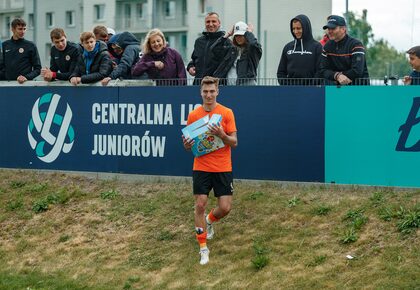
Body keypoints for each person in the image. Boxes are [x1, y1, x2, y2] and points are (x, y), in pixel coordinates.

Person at [182, 76, 238, 265]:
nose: (209, 95)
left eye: (212, 91)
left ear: (217, 92)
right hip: (201, 166)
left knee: (225, 207)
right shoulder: (193, 115)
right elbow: (189, 147)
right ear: (201, 92)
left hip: (223, 166)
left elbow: (234, 142)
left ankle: (209, 220)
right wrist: (187, 144)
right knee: (200, 204)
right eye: (205, 91)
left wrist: (222, 134)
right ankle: (203, 248)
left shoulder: (227, 113)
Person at [319, 15, 370, 85]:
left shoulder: (356, 44)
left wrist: (337, 75)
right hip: (337, 89)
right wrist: (337, 76)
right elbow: (322, 70)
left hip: (358, 89)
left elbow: (357, 71)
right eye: (328, 28)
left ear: (343, 29)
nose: (329, 31)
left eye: (333, 28)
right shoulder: (327, 46)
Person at [211, 21, 262, 85]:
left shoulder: (252, 51)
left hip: (246, 87)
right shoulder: (231, 50)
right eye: (236, 35)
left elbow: (253, 44)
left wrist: (249, 32)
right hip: (229, 87)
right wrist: (228, 34)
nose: (238, 38)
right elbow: (214, 49)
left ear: (246, 36)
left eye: (241, 35)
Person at [277, 14, 322, 85]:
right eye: (293, 29)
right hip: (290, 91)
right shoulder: (288, 47)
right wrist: (287, 87)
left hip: (311, 91)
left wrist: (311, 87)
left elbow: (320, 71)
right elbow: (281, 72)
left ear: (306, 28)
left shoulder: (317, 47)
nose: (295, 31)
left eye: (298, 28)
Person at [187, 12, 231, 84]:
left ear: (219, 23)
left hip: (216, 85)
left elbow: (227, 64)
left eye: (213, 21)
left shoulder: (226, 42)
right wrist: (190, 67)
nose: (210, 24)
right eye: (208, 22)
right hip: (198, 84)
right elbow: (194, 60)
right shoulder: (199, 41)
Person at [0, 18, 41, 83]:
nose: (23, 32)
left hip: (25, 85)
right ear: (12, 29)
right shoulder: (4, 45)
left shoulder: (31, 45)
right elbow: (1, 67)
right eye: (20, 29)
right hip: (7, 85)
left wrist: (26, 77)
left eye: (24, 29)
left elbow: (38, 69)